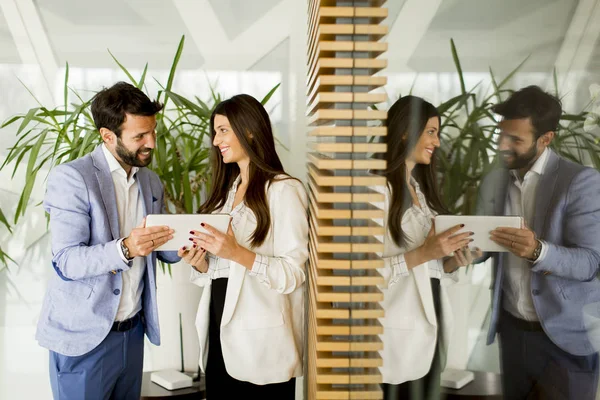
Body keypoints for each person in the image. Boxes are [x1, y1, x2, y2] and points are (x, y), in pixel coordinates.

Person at [36, 82, 181, 399]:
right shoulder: (73, 178)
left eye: (152, 132)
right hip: (84, 339)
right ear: (107, 135)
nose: (151, 143)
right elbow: (67, 261)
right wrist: (126, 248)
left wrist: (186, 245)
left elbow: (162, 250)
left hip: (133, 334)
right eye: (139, 136)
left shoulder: (150, 180)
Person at [179, 94, 308, 399]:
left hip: (262, 344)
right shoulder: (226, 194)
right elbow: (222, 269)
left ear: (249, 130)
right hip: (220, 327)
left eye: (222, 130)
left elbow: (293, 274)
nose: (214, 140)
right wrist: (201, 262)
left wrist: (236, 252)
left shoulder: (285, 190)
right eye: (215, 131)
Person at [478, 85, 600, 399]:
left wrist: (537, 250)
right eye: (501, 135)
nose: (503, 146)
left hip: (566, 339)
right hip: (513, 332)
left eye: (515, 140)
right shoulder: (494, 179)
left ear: (546, 139)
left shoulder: (580, 181)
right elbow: (488, 245)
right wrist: (469, 249)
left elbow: (589, 262)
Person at [378, 95, 481, 400]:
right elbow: (359, 277)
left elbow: (428, 266)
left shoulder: (420, 192)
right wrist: (426, 252)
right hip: (392, 332)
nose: (437, 142)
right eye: (431, 131)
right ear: (406, 131)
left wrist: (451, 262)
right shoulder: (375, 192)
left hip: (429, 322)